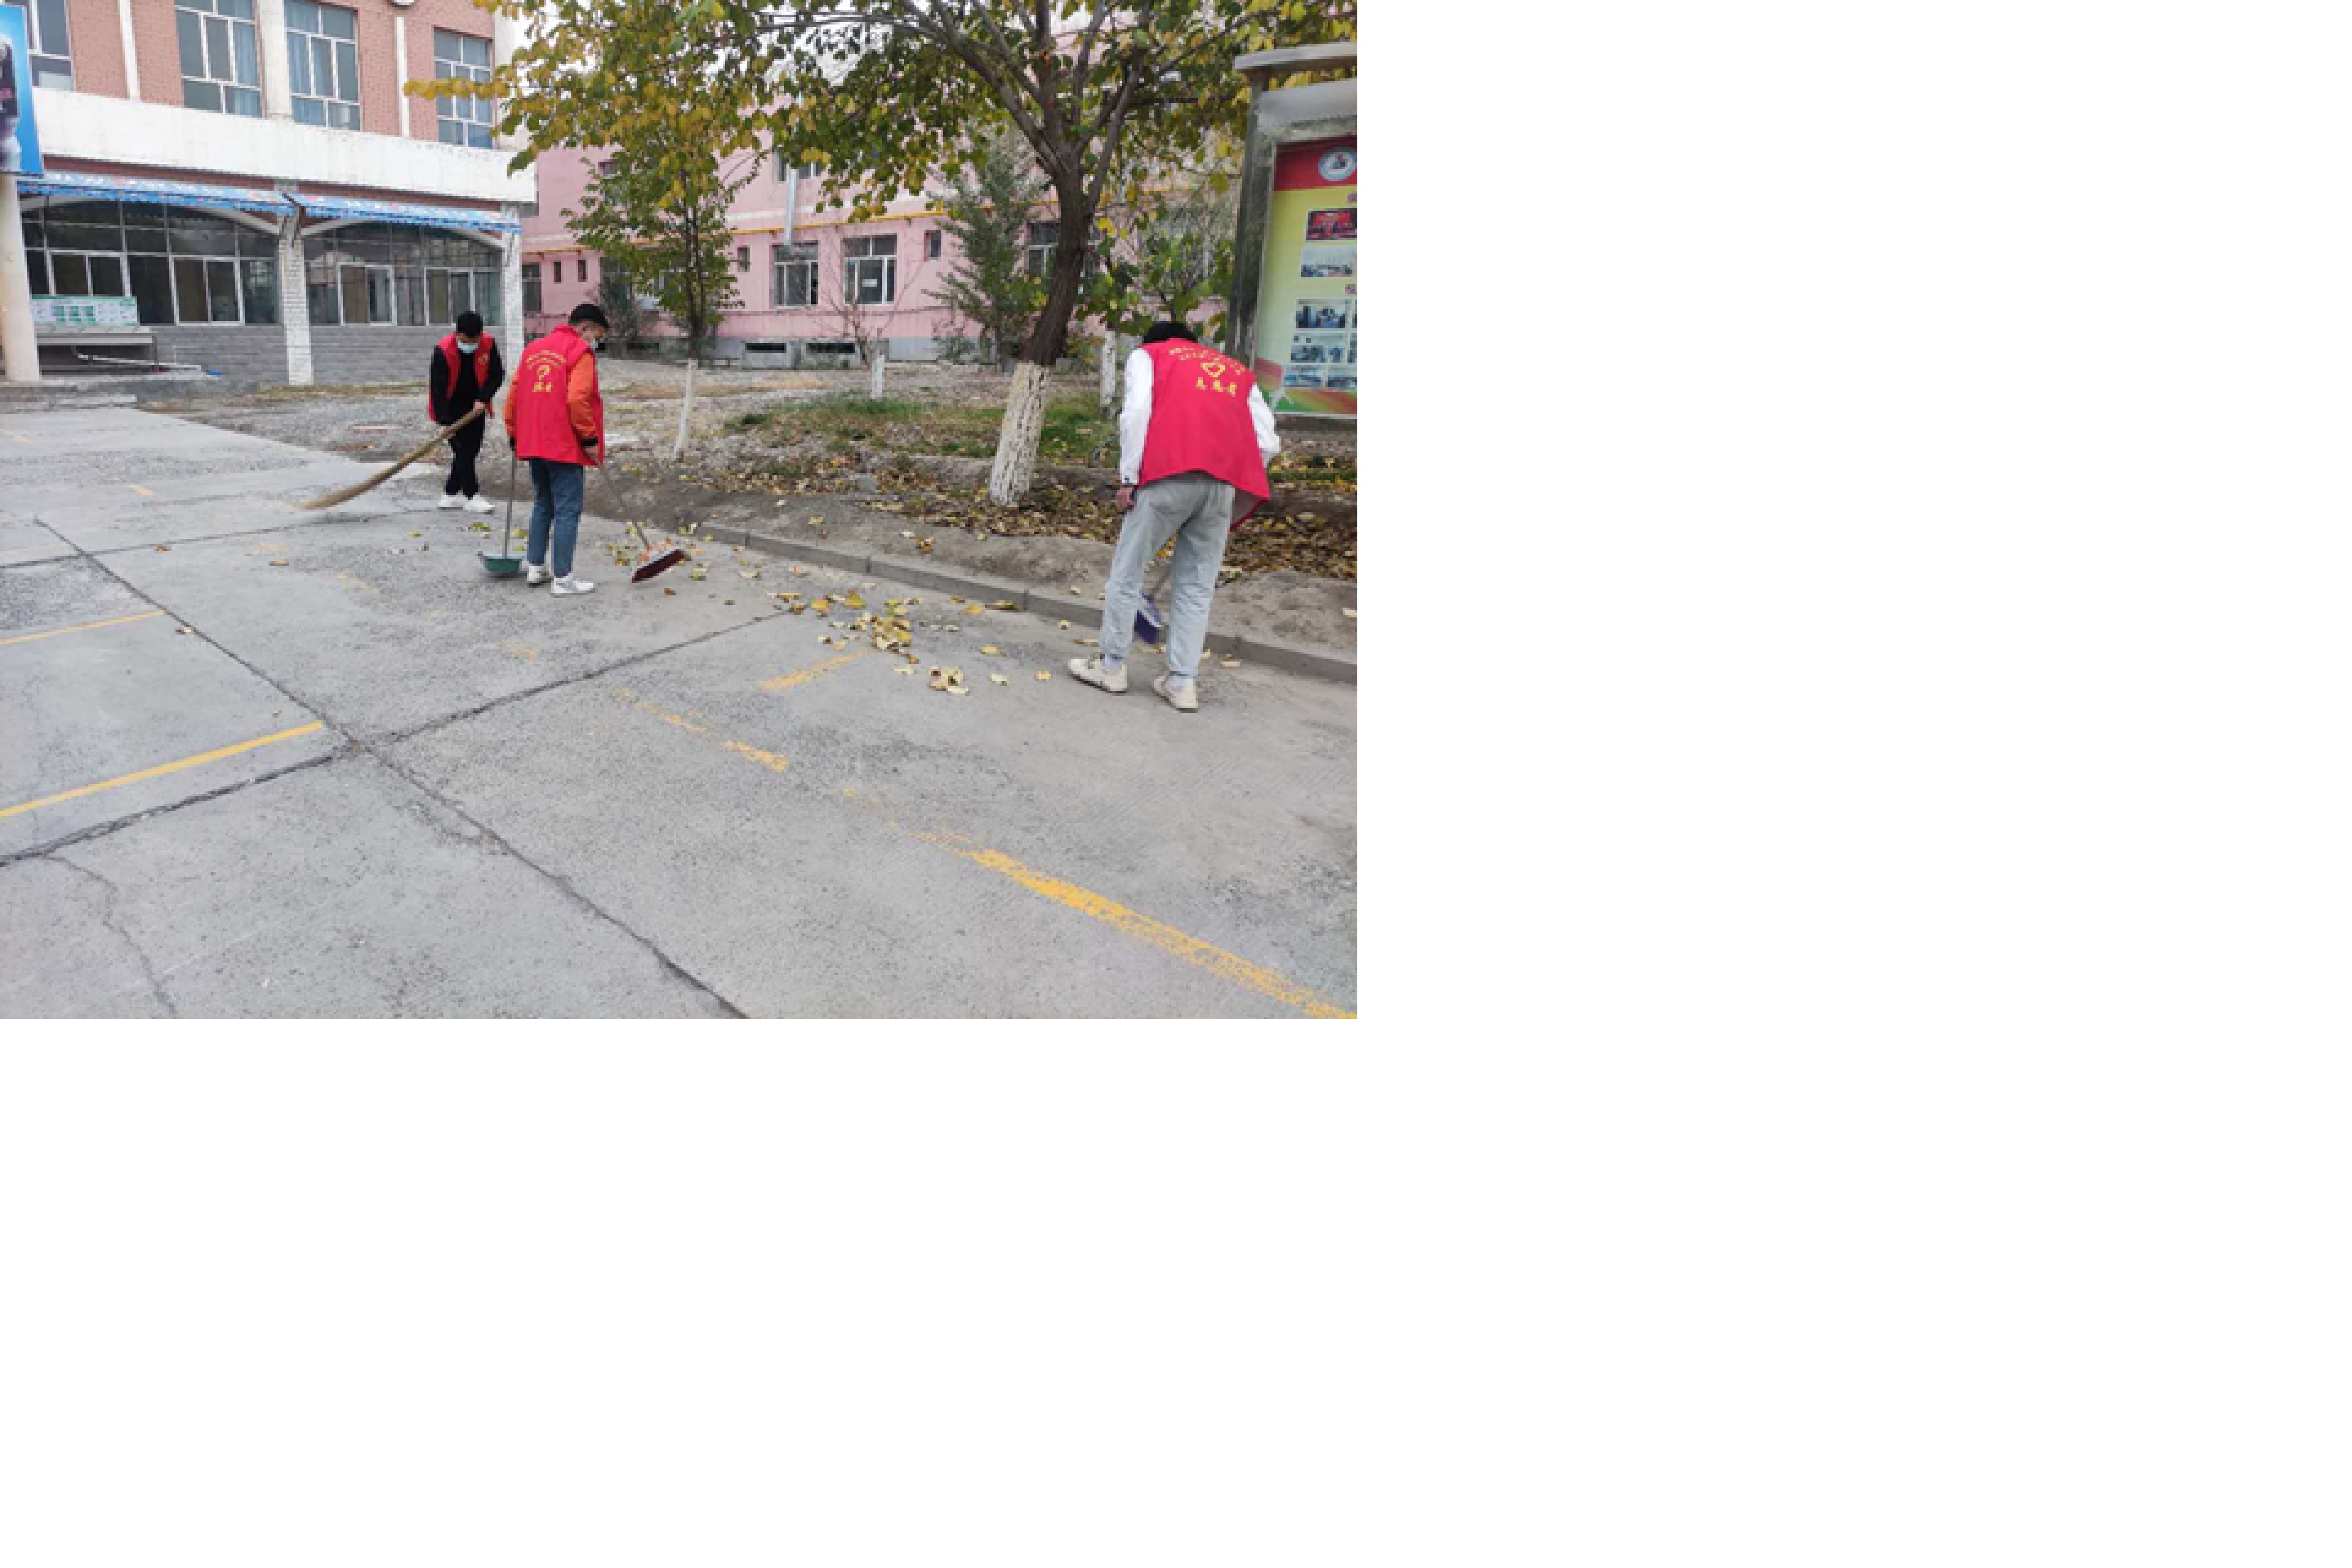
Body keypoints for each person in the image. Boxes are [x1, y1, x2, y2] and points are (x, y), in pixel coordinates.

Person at [1070, 322, 1279, 713]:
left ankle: (1111, 666)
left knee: (1128, 574)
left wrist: (1129, 477)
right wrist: (1234, 479)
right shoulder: (1237, 372)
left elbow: (1136, 413)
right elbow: (1267, 442)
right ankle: (1182, 682)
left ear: (1154, 341)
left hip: (1166, 476)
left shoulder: (1149, 356)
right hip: (1220, 486)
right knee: (1197, 586)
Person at [501, 302, 607, 596]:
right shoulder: (579, 352)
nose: (596, 342)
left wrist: (514, 432)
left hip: (534, 440)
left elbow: (514, 395)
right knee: (567, 510)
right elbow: (577, 399)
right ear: (585, 328)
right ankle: (563, 578)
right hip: (564, 443)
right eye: (597, 335)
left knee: (543, 503)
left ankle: (536, 566)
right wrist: (589, 438)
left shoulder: (533, 349)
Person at [429, 310, 504, 514]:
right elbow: (437, 389)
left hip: (475, 407)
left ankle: (450, 495)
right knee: (463, 451)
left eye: (475, 341)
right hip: (451, 407)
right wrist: (444, 422)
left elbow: (497, 375)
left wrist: (483, 398)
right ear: (457, 334)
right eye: (465, 341)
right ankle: (473, 497)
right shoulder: (443, 351)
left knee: (472, 450)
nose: (470, 345)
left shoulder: (488, 344)